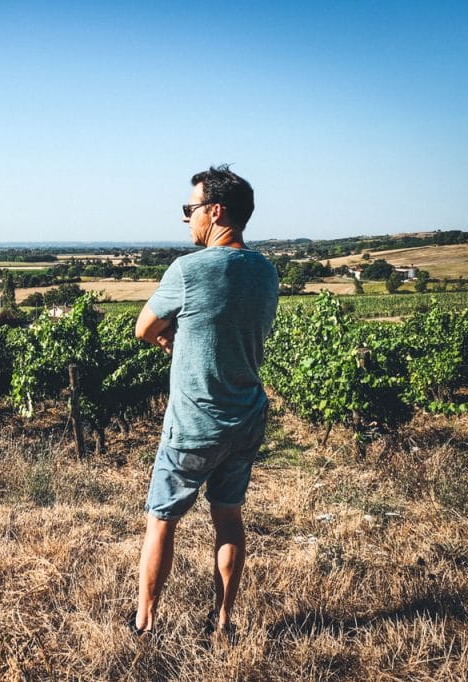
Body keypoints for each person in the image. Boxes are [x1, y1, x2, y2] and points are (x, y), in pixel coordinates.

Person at [130, 165, 278, 642]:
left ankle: (145, 623)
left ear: (215, 212)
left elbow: (143, 328)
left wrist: (169, 337)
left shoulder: (189, 270)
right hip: (247, 415)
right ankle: (223, 622)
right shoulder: (265, 272)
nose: (186, 219)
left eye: (189, 210)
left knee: (162, 519)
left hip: (195, 422)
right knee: (229, 517)